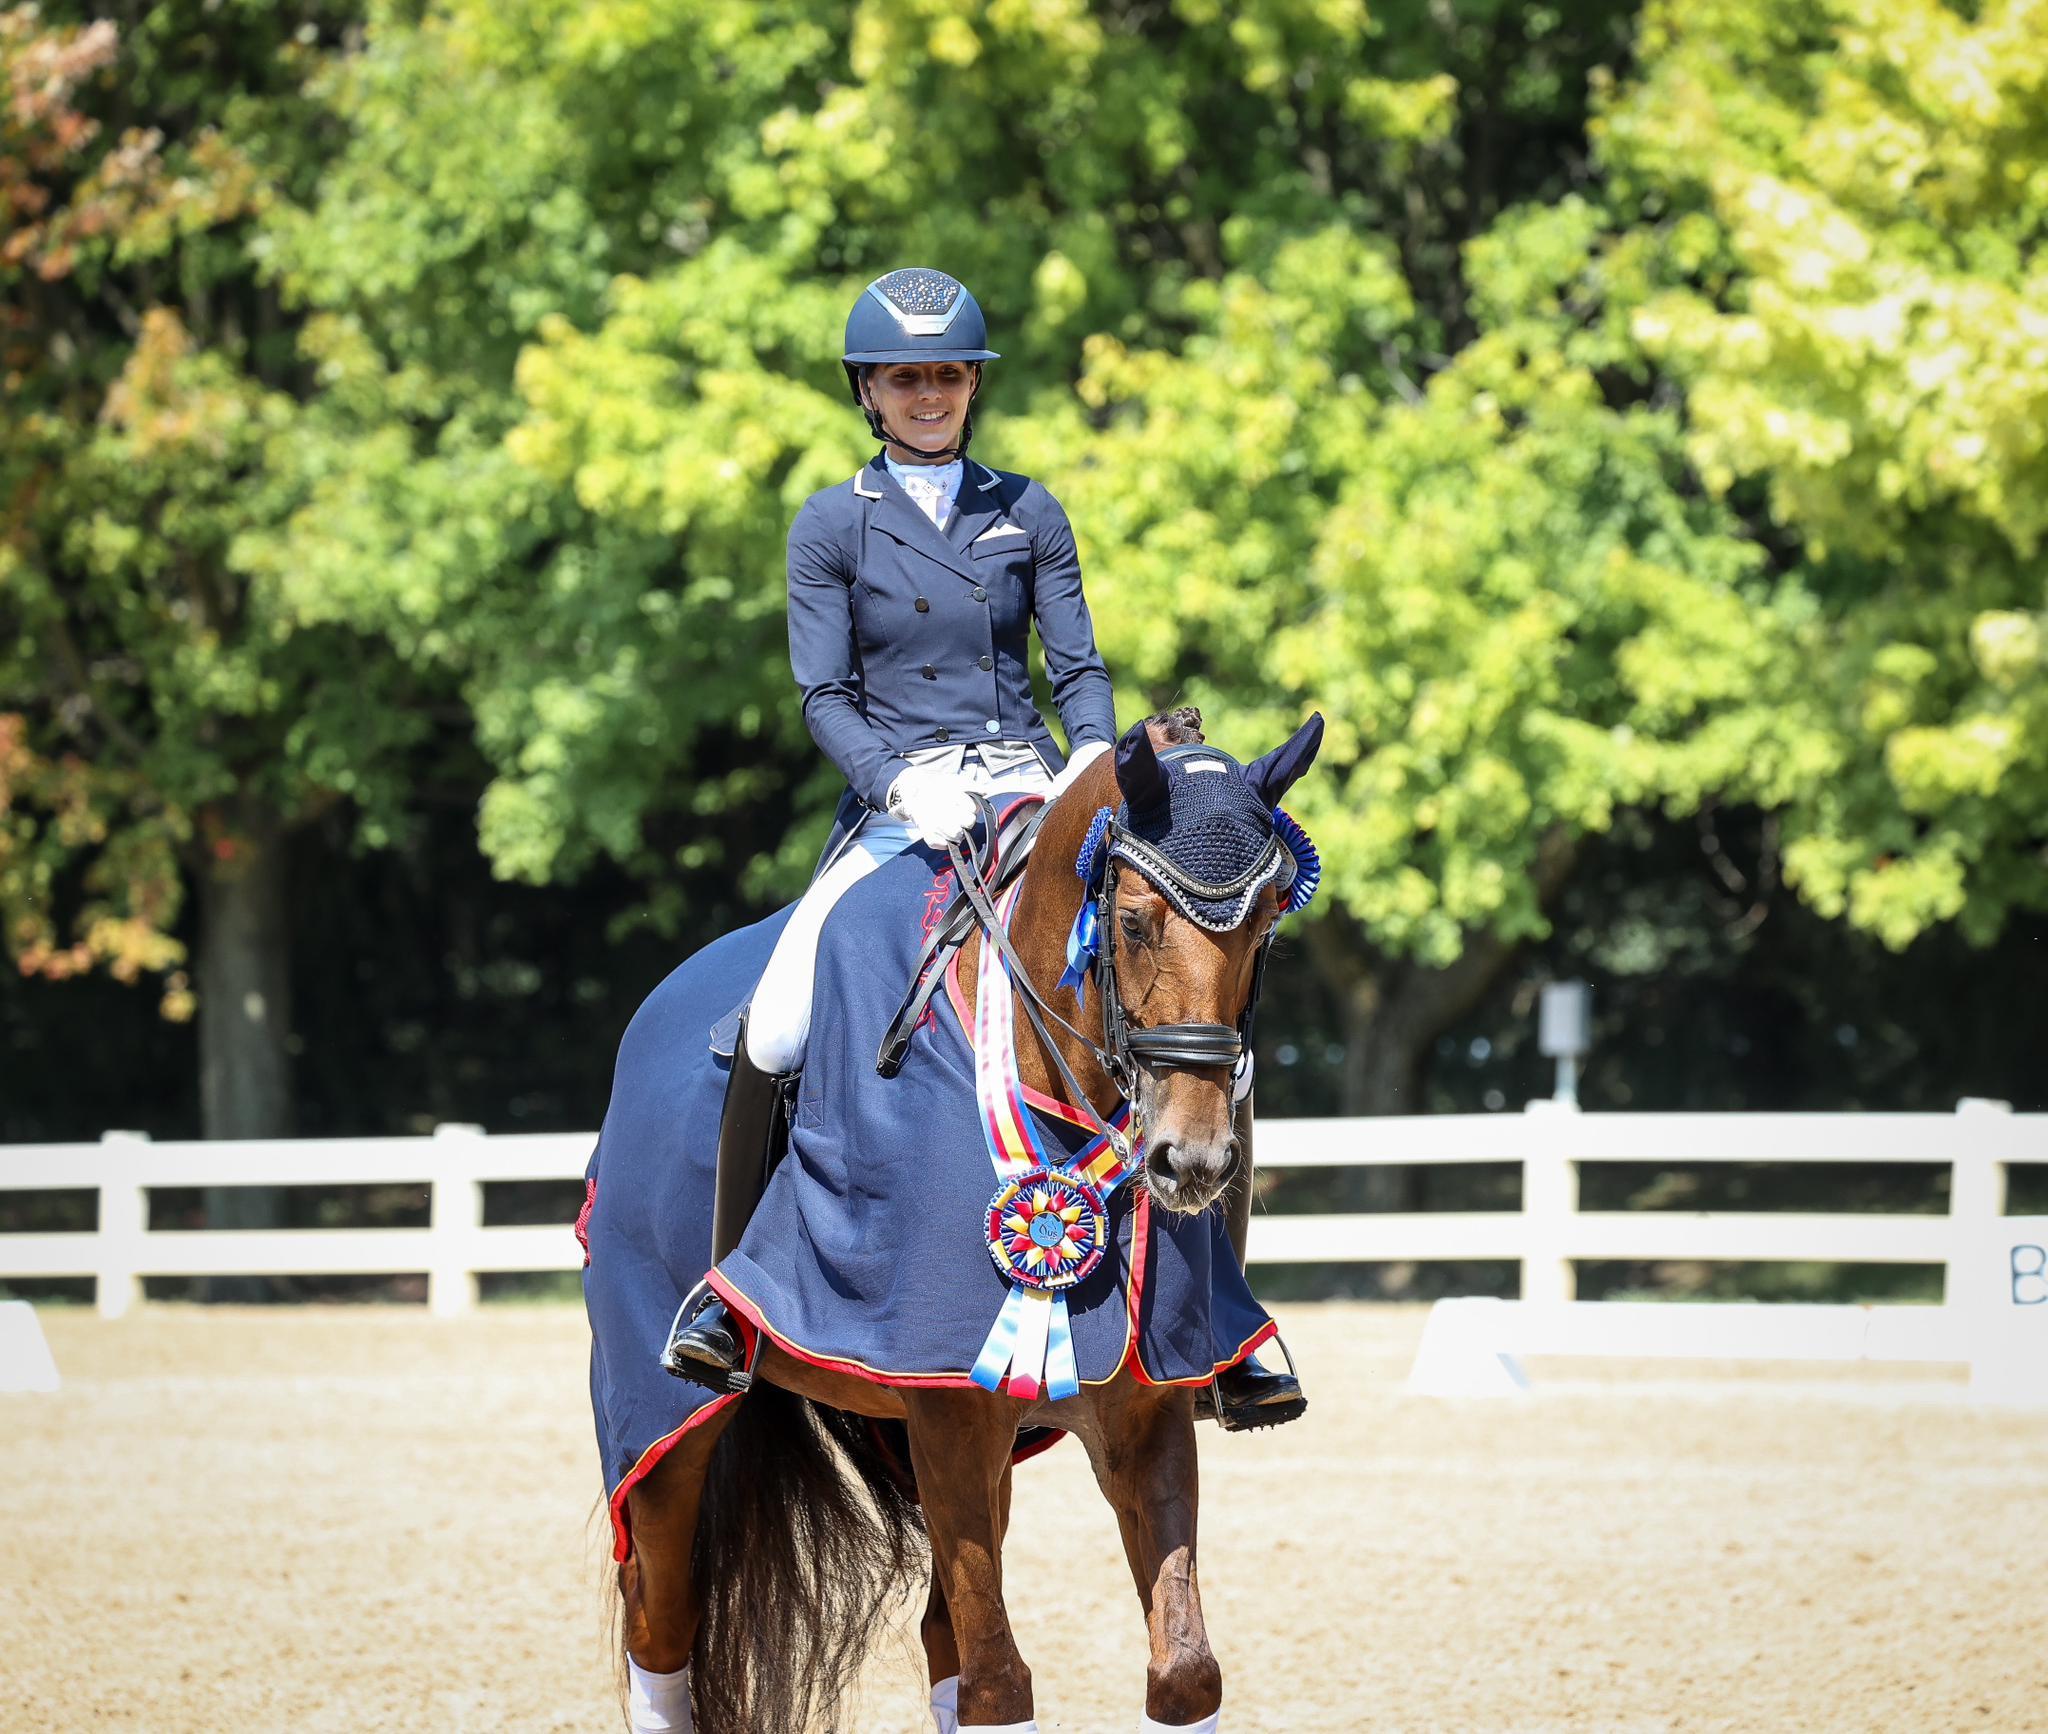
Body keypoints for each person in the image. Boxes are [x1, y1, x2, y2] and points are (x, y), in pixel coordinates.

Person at [668, 268, 1303, 1429]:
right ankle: (731, 1300)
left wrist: (1093, 766)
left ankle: (1221, 1313)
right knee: (778, 1018)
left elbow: (1076, 671)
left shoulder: (1028, 510)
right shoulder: (831, 523)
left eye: (947, 376)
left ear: (971, 388)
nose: (927, 395)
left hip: (1030, 785)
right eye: (904, 377)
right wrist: (897, 781)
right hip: (898, 803)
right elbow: (822, 694)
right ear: (868, 390)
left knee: (1189, 1000)